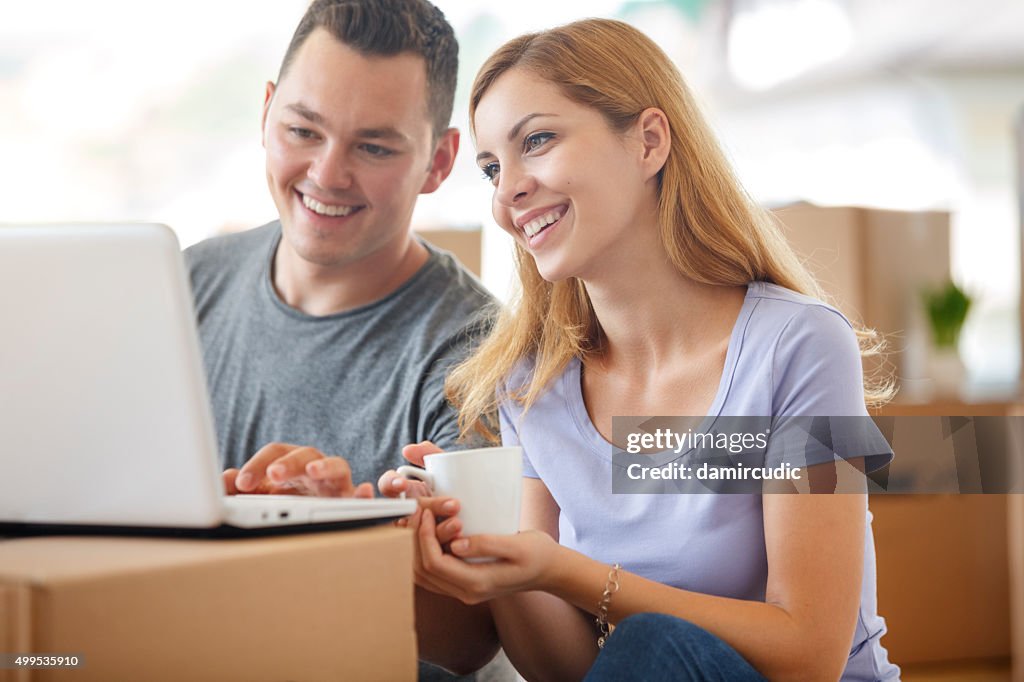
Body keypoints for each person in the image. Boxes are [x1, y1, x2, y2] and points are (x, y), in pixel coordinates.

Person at [384, 18, 901, 681]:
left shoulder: (801, 345)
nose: (507, 193)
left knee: (650, 646)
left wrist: (579, 575)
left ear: (649, 141)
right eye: (491, 168)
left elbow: (810, 654)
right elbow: (566, 670)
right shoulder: (529, 384)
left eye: (536, 141)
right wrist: (489, 547)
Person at [183, 0, 502, 677]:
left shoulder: (476, 351)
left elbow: (469, 641)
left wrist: (335, 548)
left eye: (375, 146)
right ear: (267, 113)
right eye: (303, 130)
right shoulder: (189, 281)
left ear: (438, 163)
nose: (327, 174)